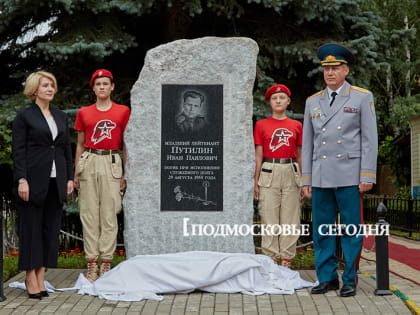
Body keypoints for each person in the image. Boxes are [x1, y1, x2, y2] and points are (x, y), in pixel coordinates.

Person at [302, 43, 378, 297]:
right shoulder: (313, 101)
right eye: (326, 68)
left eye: (335, 68)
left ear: (346, 70)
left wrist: (367, 174)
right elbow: (308, 144)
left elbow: (369, 139)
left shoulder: (361, 97)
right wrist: (306, 179)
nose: (330, 73)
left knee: (350, 230)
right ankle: (326, 278)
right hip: (322, 176)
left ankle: (349, 279)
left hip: (349, 175)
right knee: (322, 229)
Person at [12, 71, 74, 299]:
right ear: (34, 90)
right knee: (32, 230)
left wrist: (68, 178)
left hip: (56, 182)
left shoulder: (60, 116)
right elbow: (18, 151)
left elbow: (65, 148)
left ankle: (41, 274)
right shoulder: (25, 116)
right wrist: (22, 179)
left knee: (49, 230)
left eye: (52, 85)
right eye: (45, 85)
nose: (50, 89)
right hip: (32, 182)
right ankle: (31, 276)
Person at [74, 69, 130, 282]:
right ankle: (92, 265)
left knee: (109, 214)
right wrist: (76, 174)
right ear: (94, 88)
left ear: (112, 87)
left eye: (106, 83)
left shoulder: (122, 111)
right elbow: (80, 144)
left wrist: (125, 172)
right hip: (89, 159)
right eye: (98, 84)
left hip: (111, 160)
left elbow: (125, 143)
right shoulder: (84, 112)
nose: (102, 87)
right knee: (89, 215)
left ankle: (106, 263)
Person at [254, 84, 302, 268]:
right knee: (269, 216)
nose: (278, 100)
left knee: (290, 217)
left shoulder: (296, 125)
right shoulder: (261, 125)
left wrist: (304, 179)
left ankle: (286, 260)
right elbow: (258, 154)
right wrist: (255, 181)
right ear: (270, 102)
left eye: (282, 97)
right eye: (274, 98)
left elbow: (300, 154)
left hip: (290, 169)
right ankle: (271, 259)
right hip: (269, 169)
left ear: (288, 101)